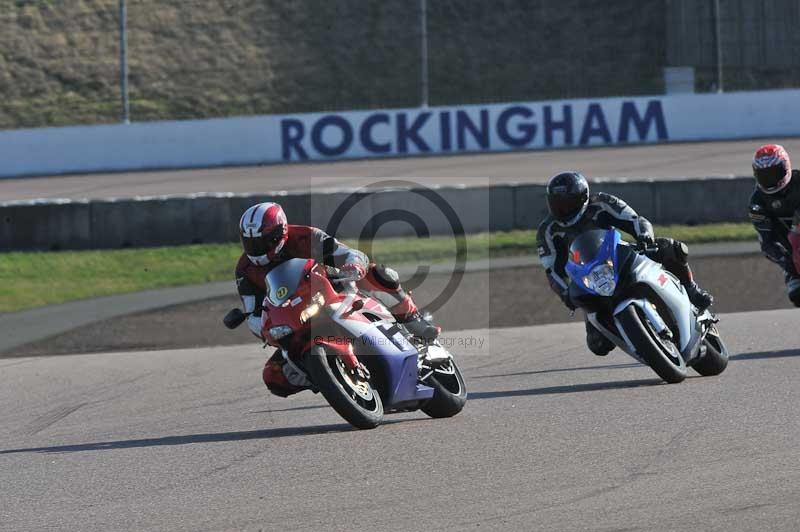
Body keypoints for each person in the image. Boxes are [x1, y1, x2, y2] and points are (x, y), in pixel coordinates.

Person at [234, 201, 440, 397]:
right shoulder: (245, 270)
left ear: (281, 231)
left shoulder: (306, 236)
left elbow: (348, 253)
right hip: (296, 319)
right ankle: (329, 377)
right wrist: (264, 326)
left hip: (333, 289)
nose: (257, 247)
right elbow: (251, 311)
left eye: (263, 240)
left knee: (379, 273)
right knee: (274, 375)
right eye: (251, 242)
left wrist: (354, 266)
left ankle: (412, 319)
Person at [537, 171, 714, 357]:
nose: (563, 210)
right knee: (598, 345)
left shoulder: (602, 203)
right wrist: (565, 293)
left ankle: (692, 290)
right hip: (591, 278)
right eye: (557, 204)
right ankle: (637, 339)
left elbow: (634, 220)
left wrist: (644, 236)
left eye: (568, 203)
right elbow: (552, 270)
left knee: (671, 248)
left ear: (583, 197)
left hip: (620, 256)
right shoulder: (547, 231)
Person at [748, 144, 800, 307]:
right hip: (794, 256)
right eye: (764, 175)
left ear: (786, 167)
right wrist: (790, 265)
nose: (770, 180)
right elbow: (767, 244)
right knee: (797, 295)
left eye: (774, 173)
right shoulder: (757, 203)